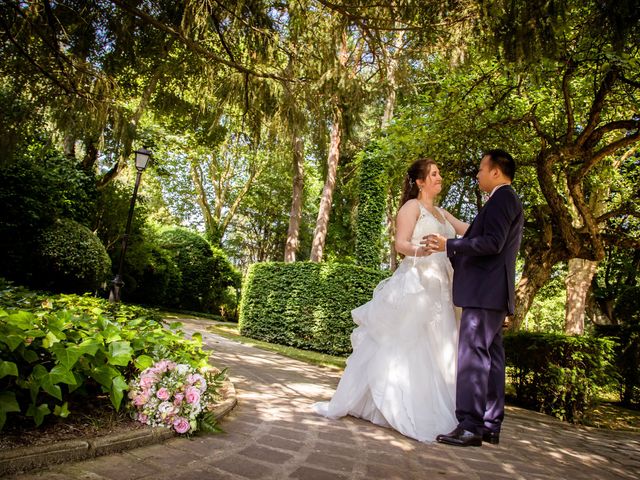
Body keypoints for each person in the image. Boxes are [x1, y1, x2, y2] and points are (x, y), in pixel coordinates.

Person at [313, 158, 469, 442]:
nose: (439, 178)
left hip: (443, 287)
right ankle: (395, 404)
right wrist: (420, 251)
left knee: (441, 345)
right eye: (434, 174)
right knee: (406, 342)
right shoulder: (412, 208)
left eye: (440, 174)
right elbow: (400, 243)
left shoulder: (444, 214)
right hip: (417, 283)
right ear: (420, 182)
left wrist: (496, 223)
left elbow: (467, 230)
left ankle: (434, 403)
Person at [425, 149, 524, 447]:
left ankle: (469, 425)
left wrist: (449, 244)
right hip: (493, 293)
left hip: (484, 293)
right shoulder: (505, 200)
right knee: (492, 359)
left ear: (495, 172)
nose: (478, 174)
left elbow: (492, 243)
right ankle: (490, 425)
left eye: (481, 169)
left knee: (473, 357)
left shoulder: (503, 199)